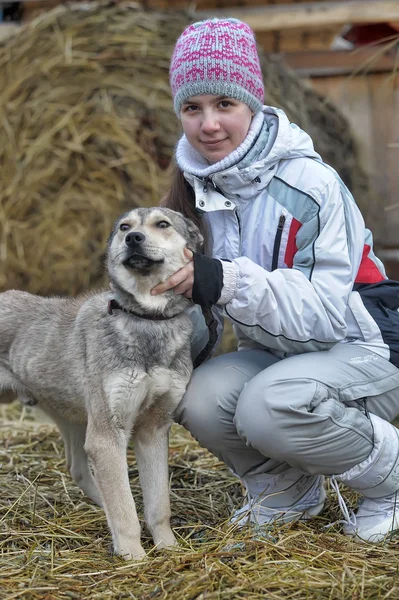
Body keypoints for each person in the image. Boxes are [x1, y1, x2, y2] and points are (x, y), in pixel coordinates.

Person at [151, 17, 399, 542]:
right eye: (192, 108)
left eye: (224, 105)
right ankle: (286, 491)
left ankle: (391, 482)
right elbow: (200, 309)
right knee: (192, 393)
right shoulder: (194, 191)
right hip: (282, 357)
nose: (208, 124)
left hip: (364, 346)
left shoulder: (309, 183)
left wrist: (224, 281)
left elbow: (328, 312)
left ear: (253, 103)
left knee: (269, 404)